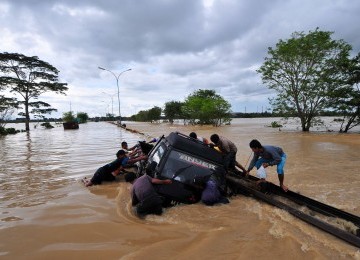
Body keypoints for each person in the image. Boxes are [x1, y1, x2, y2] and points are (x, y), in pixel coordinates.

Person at [83, 150, 147, 187]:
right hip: (101, 171)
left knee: (97, 183)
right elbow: (132, 160)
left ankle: (88, 180)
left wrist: (138, 153)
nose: (125, 155)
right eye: (124, 154)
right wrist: (141, 158)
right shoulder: (122, 159)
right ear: (121, 155)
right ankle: (84, 180)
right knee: (88, 185)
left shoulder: (121, 159)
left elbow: (131, 157)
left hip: (106, 173)